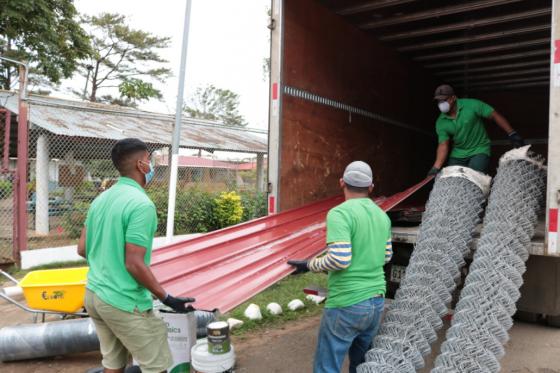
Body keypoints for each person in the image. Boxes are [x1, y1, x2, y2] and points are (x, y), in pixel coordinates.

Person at [78, 138, 194, 373]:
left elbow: (82, 249)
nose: (152, 166)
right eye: (150, 160)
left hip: (94, 295)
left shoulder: (100, 199)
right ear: (141, 164)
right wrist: (166, 297)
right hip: (123, 301)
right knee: (157, 366)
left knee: (113, 363)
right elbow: (133, 263)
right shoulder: (141, 205)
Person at [288, 161, 392, 373]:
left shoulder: (340, 213)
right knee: (362, 365)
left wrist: (310, 265)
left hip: (347, 302)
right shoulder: (383, 216)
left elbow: (340, 259)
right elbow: (387, 255)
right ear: (371, 187)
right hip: (376, 301)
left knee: (327, 366)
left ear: (342, 183)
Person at [428, 84, 525, 175]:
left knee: (474, 178)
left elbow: (494, 115)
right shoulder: (441, 121)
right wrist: (436, 167)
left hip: (479, 149)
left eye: (444, 100)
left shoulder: (472, 105)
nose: (441, 104)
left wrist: (512, 133)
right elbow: (443, 144)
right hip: (458, 153)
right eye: (439, 101)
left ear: (453, 98)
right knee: (452, 180)